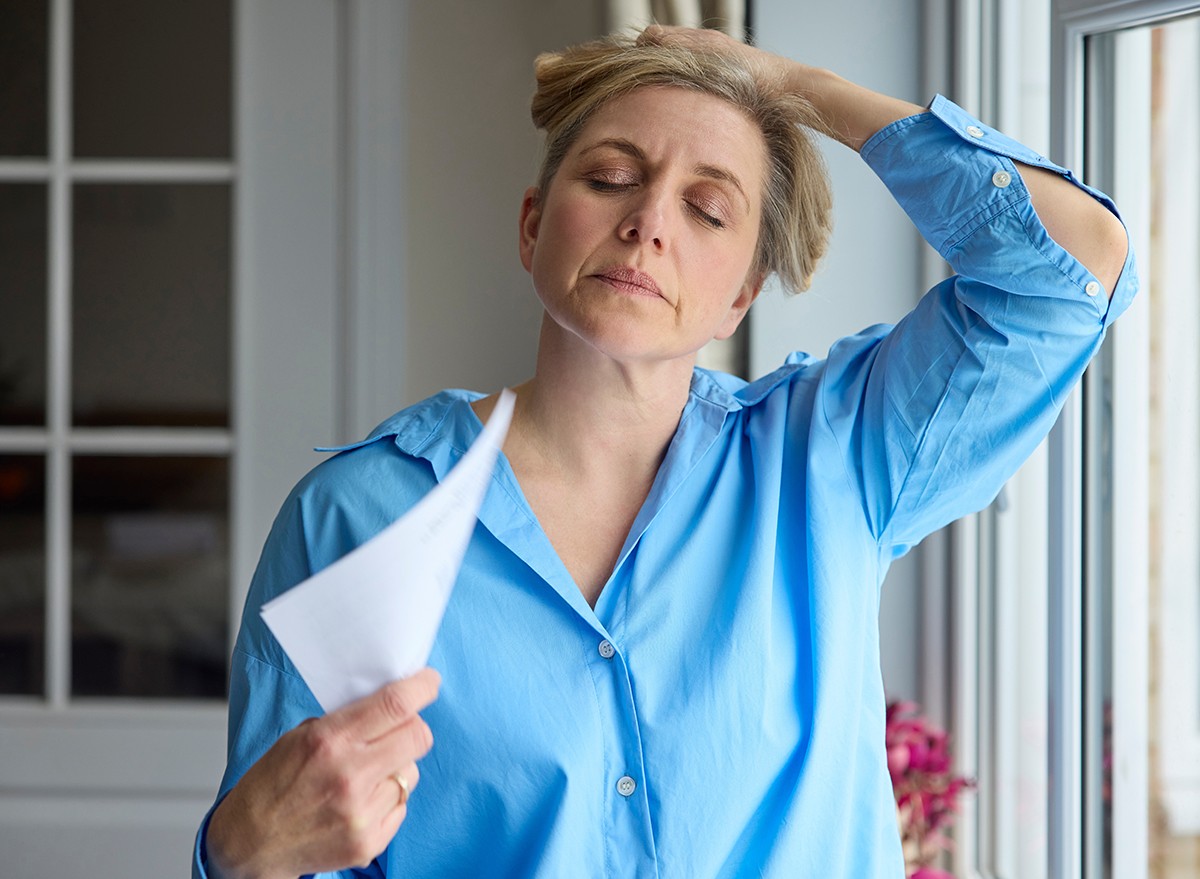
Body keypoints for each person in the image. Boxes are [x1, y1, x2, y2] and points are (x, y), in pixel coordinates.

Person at [194, 25, 1134, 879]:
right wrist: (236, 854)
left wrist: (796, 86)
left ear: (743, 297)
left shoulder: (836, 460)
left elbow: (1072, 269)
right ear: (532, 226)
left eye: (708, 208)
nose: (647, 221)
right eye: (609, 177)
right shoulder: (357, 514)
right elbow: (287, 842)